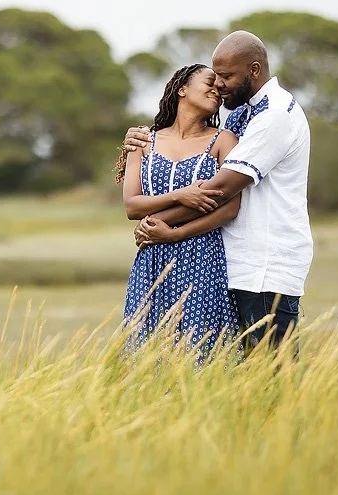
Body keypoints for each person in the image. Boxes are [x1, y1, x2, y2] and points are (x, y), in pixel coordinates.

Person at [122, 31, 314, 354]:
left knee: (274, 376)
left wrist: (159, 225)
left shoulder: (275, 116)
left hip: (265, 268)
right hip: (237, 267)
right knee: (237, 376)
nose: (219, 85)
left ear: (253, 71)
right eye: (214, 77)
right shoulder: (243, 113)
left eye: (226, 76)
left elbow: (222, 190)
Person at [117, 63, 242, 360]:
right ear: (182, 88)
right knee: (146, 352)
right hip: (151, 259)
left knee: (199, 353)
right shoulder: (143, 140)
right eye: (209, 81)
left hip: (203, 257)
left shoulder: (224, 140)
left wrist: (176, 233)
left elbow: (231, 207)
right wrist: (181, 195)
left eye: (220, 86)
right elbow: (132, 206)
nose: (216, 88)